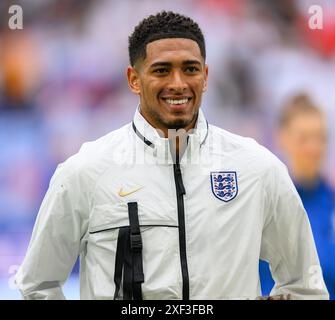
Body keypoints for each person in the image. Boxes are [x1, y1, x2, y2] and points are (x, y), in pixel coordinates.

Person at [15, 11, 329, 300]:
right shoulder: (84, 172)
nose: (177, 84)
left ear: (205, 76)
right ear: (133, 79)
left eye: (190, 69)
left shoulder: (258, 169)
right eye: (161, 70)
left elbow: (305, 285)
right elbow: (37, 285)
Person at [259, 94, 335, 299]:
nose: (313, 147)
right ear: (281, 138)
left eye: (320, 137)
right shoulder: (263, 205)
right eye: (304, 138)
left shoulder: (331, 204)